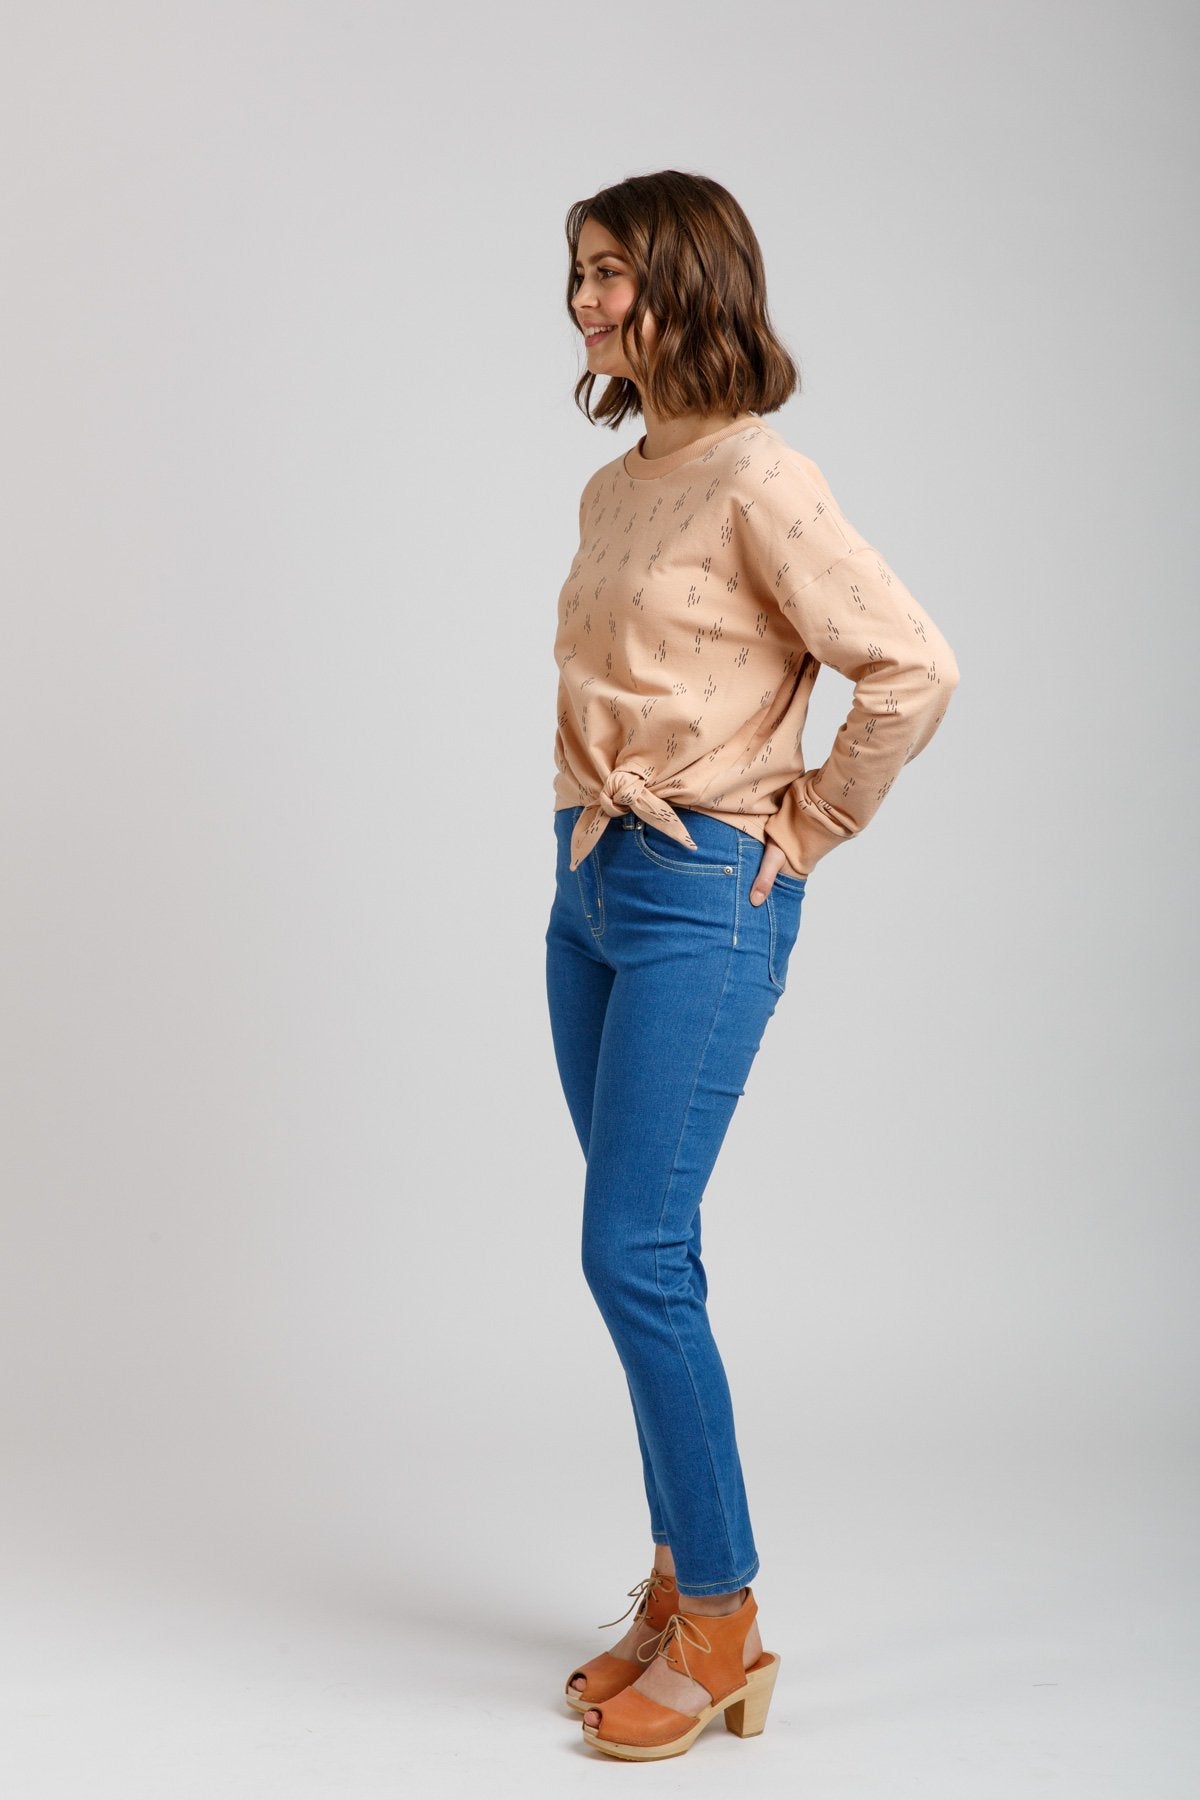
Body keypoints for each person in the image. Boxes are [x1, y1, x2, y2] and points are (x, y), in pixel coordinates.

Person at [545, 169, 961, 1764]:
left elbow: (911, 666)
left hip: (702, 891)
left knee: (630, 1254)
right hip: (592, 881)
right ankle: (675, 1582)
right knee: (649, 1252)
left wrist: (819, 820)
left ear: (689, 285)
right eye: (580, 274)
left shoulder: (761, 477)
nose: (586, 303)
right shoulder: (616, 487)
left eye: (613, 274)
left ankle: (724, 1617)